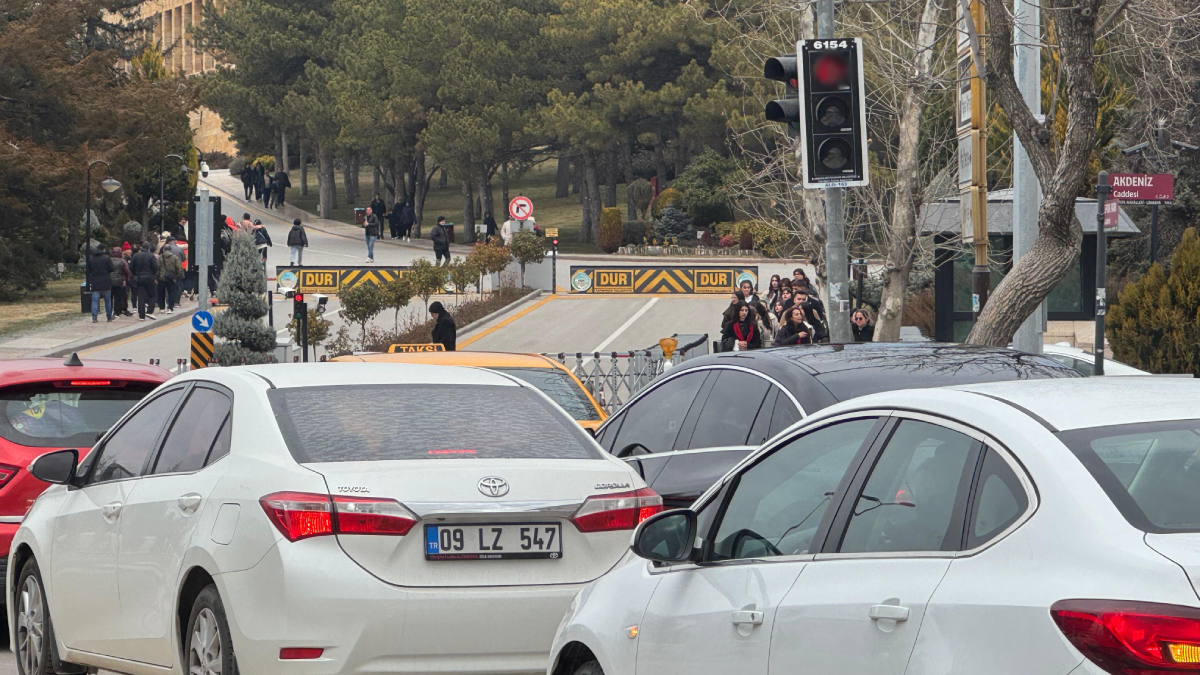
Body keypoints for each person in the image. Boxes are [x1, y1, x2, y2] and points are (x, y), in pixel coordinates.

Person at [130, 241, 159, 321]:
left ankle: (141, 316)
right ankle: (150, 311)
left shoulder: (136, 256)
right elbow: (155, 267)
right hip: (150, 278)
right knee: (152, 295)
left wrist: (134, 275)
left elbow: (131, 267)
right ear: (149, 248)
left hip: (139, 278)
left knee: (141, 296)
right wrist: (154, 274)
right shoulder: (151, 256)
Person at [85, 246, 114, 323]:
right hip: (106, 280)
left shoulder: (91, 259)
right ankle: (109, 316)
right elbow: (112, 268)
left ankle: (94, 317)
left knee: (95, 300)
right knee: (107, 300)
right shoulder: (107, 258)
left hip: (95, 281)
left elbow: (88, 270)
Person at [157, 245, 182, 314]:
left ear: (164, 250)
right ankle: (170, 307)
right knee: (171, 293)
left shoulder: (160, 257)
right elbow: (178, 268)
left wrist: (157, 277)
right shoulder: (174, 257)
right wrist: (176, 276)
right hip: (171, 277)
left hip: (161, 278)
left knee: (161, 293)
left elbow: (157, 267)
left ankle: (162, 308)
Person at [109, 246, 131, 317]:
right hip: (120, 281)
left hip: (110, 281)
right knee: (118, 297)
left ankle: (110, 310)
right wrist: (127, 279)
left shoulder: (109, 260)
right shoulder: (123, 261)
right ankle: (117, 311)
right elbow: (127, 271)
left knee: (110, 297)